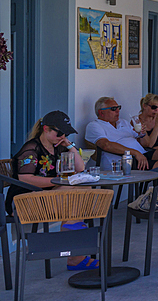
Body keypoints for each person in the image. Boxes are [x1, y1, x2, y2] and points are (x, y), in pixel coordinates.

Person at [9, 111, 95, 269]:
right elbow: (25, 178)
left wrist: (69, 146)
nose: (62, 136)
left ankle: (74, 245)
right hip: (23, 201)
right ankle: (75, 254)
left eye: (66, 133)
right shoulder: (31, 148)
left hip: (46, 196)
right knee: (73, 195)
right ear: (46, 129)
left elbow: (80, 168)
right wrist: (57, 180)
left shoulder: (58, 148)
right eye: (60, 132)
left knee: (83, 188)